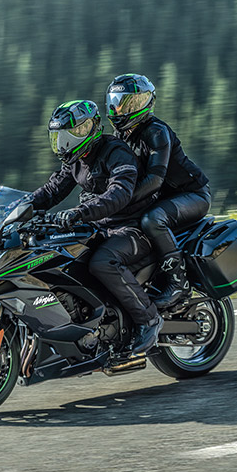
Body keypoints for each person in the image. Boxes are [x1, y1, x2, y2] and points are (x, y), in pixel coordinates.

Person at [27, 99, 162, 355]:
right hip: (99, 227)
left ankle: (149, 320)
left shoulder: (116, 152)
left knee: (103, 262)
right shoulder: (76, 160)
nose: (64, 143)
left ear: (90, 127)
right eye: (59, 137)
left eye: (70, 134)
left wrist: (80, 212)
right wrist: (16, 210)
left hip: (132, 228)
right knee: (54, 255)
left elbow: (119, 194)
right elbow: (51, 191)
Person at [105, 74, 210, 309]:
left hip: (192, 194)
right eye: (118, 101)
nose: (121, 108)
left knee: (152, 220)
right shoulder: (121, 136)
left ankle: (178, 284)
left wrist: (121, 200)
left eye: (130, 102)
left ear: (145, 103)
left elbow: (154, 180)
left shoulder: (156, 131)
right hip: (162, 198)